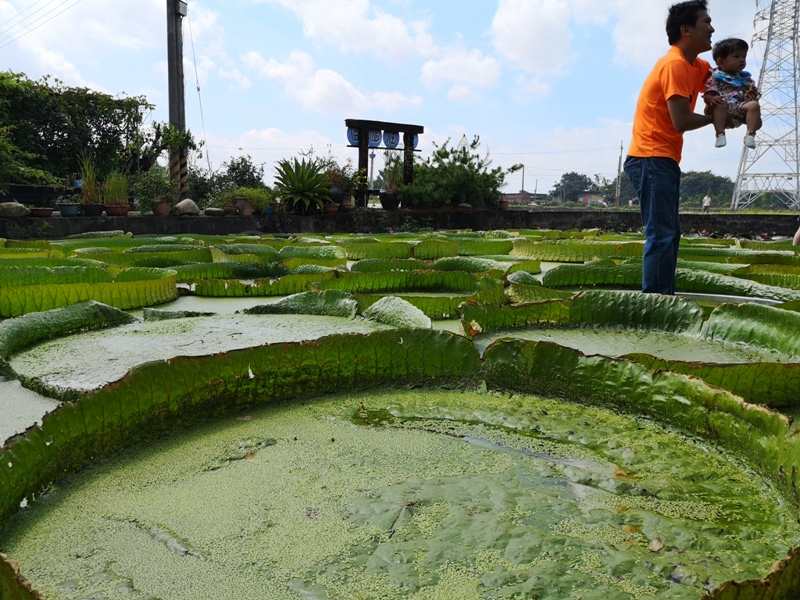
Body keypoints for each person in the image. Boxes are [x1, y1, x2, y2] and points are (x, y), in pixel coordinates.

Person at [624, 0, 725, 295]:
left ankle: (662, 297)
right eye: (706, 22)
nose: (712, 29)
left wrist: (738, 101)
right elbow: (681, 121)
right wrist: (716, 118)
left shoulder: (697, 65)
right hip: (650, 157)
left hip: (663, 158)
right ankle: (656, 303)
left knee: (669, 233)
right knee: (661, 234)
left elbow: (722, 78)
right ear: (686, 30)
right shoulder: (674, 65)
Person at [704, 37, 762, 149]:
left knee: (754, 105)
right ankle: (720, 133)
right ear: (721, 62)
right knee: (720, 104)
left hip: (739, 106)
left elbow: (751, 97)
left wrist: (753, 99)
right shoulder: (716, 77)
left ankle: (750, 134)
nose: (742, 60)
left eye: (744, 57)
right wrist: (711, 99)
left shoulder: (745, 80)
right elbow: (708, 93)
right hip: (722, 108)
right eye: (737, 56)